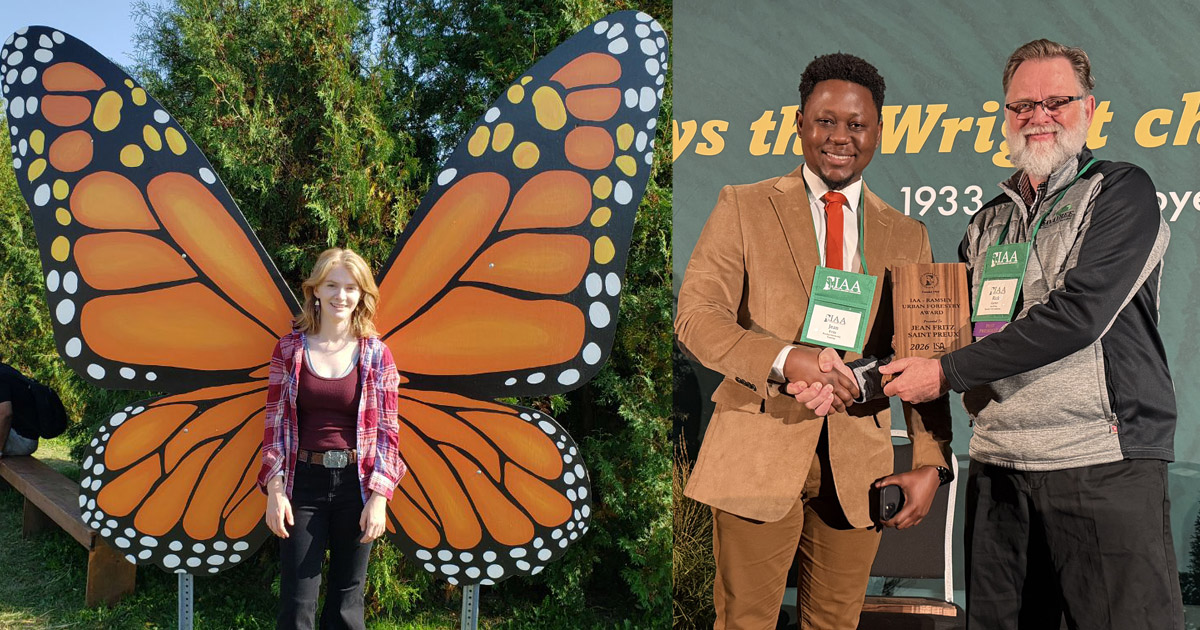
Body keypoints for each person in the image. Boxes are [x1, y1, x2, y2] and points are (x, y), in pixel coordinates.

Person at [879, 39, 1183, 629]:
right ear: (1005, 116)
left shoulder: (1122, 191)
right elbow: (945, 335)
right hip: (999, 468)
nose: (1038, 116)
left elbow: (1079, 315)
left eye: (1056, 102)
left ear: (1089, 110)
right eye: (1022, 106)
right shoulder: (987, 221)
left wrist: (942, 371)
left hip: (1100, 463)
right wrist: (860, 374)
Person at [674, 52, 953, 630]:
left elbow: (924, 356)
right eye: (825, 120)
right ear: (799, 122)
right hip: (758, 451)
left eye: (857, 125)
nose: (840, 137)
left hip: (859, 466)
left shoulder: (907, 234)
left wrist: (931, 462)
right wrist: (786, 358)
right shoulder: (743, 205)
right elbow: (698, 318)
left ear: (878, 132)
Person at [257, 248, 405, 630]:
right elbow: (273, 424)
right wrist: (275, 491)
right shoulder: (289, 350)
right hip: (301, 484)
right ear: (315, 291)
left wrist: (379, 497)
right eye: (332, 285)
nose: (342, 295)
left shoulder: (377, 355)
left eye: (351, 287)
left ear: (362, 294)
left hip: (357, 485)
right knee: (297, 603)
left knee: (347, 603)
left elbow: (389, 433)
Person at [0, 361, 68, 457]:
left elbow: (5, 414)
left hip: (22, 441)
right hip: (21, 437)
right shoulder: (6, 370)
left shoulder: (1, 376)